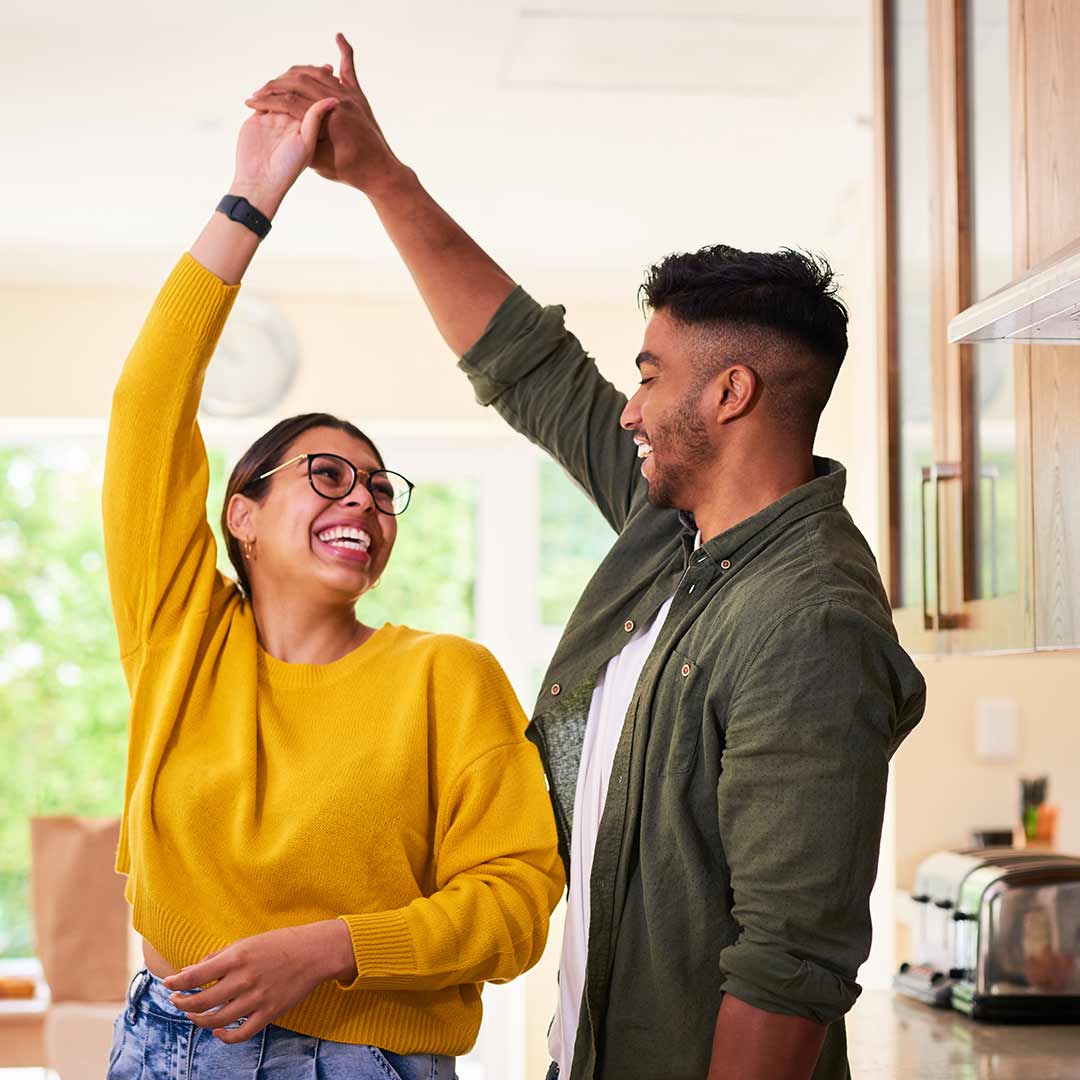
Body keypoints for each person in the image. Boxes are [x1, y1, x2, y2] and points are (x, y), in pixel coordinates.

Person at [247, 33, 928, 1080]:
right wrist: (379, 175)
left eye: (651, 375)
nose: (630, 406)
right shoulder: (679, 533)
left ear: (730, 395)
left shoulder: (809, 623)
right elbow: (529, 366)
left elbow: (787, 970)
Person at [102, 90, 563, 1080]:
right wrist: (251, 194)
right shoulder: (181, 635)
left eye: (378, 486)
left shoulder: (446, 679)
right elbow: (147, 407)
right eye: (326, 474)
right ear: (244, 514)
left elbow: (519, 900)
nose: (363, 498)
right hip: (166, 1049)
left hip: (365, 1063)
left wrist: (331, 947)